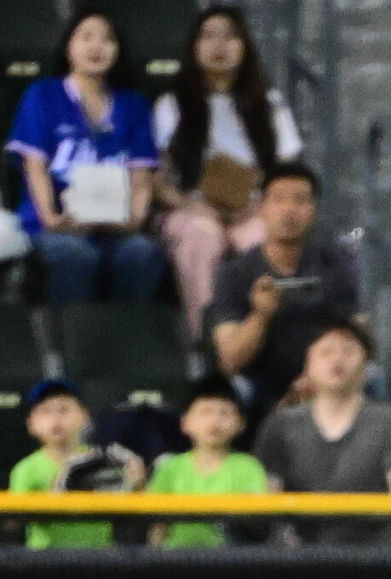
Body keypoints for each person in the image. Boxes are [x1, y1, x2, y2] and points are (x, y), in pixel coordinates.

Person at [153, 4, 303, 345]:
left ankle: (265, 341)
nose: (219, 46)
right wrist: (187, 203)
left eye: (230, 37)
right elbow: (155, 178)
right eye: (209, 37)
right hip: (191, 207)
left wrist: (263, 206)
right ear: (194, 46)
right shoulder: (172, 103)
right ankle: (209, 340)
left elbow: (288, 172)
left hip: (253, 207)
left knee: (259, 239)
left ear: (245, 46)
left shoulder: (270, 102)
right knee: (201, 237)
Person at [5, 6, 165, 305]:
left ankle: (126, 339)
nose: (96, 47)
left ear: (118, 50)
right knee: (74, 255)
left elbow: (141, 175)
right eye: (86, 37)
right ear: (68, 46)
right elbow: (34, 166)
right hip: (57, 224)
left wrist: (134, 220)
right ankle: (72, 345)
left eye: (107, 39)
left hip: (116, 226)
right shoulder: (43, 95)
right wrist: (51, 218)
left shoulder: (134, 105)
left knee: (142, 254)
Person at [252, 317, 391, 542]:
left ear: (366, 365)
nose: (337, 359)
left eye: (348, 351)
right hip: (300, 562)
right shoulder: (279, 426)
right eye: (326, 352)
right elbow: (267, 508)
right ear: (307, 366)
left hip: (378, 563)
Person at [209, 162, 360, 418]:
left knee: (368, 376)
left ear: (313, 210)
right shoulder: (234, 273)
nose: (289, 210)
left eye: (300, 201)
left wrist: (318, 376)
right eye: (278, 200)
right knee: (232, 391)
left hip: (320, 378)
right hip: (257, 383)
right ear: (262, 209)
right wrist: (260, 316)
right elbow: (229, 361)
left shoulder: (334, 267)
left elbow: (358, 337)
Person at [9, 377, 143, 548]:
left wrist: (136, 484)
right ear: (31, 424)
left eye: (64, 410)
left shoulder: (104, 459)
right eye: (45, 411)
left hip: (98, 558)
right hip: (46, 561)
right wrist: (56, 489)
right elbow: (13, 523)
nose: (55, 419)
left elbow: (127, 517)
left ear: (84, 416)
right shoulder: (27, 469)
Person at [146, 374, 267, 547]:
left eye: (224, 413)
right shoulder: (170, 468)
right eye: (205, 412)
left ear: (240, 424)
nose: (214, 422)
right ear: (185, 422)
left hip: (232, 562)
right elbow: (158, 526)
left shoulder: (249, 467)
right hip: (175, 562)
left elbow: (256, 525)